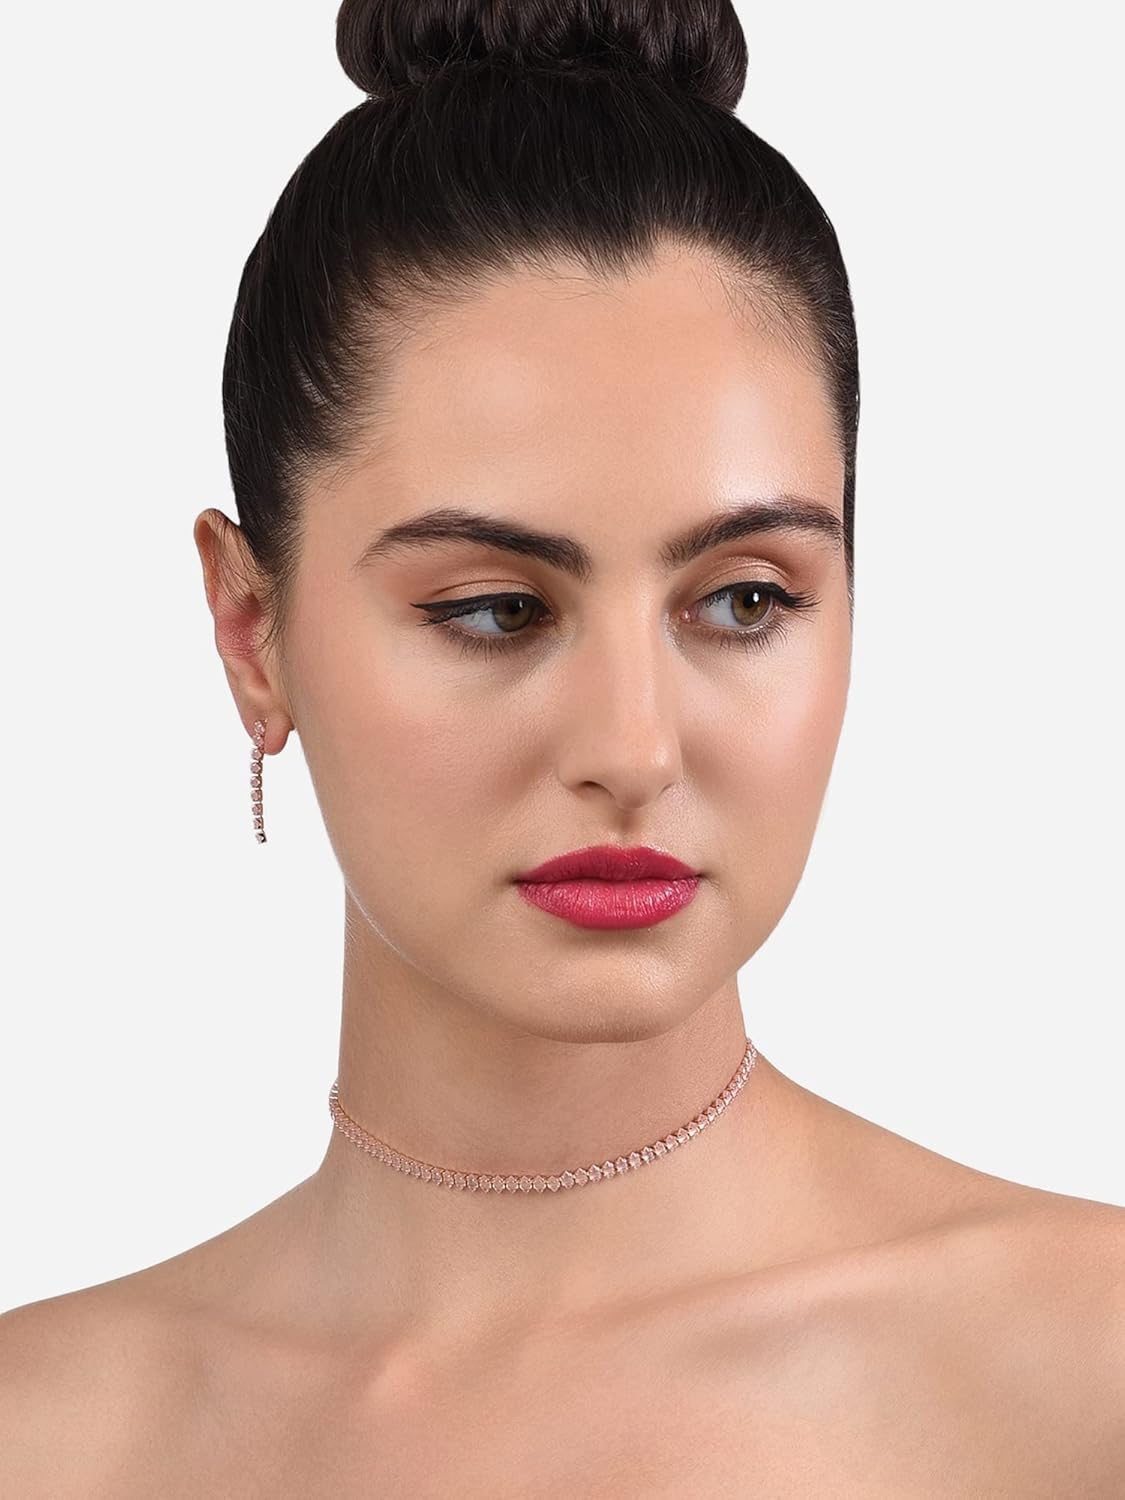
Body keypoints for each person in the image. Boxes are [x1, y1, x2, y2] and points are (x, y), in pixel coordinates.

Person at [3, 0, 1122, 1493]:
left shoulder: (1087, 1376)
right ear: (251, 629)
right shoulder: (44, 1438)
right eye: (492, 610)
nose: (632, 747)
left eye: (743, 600)